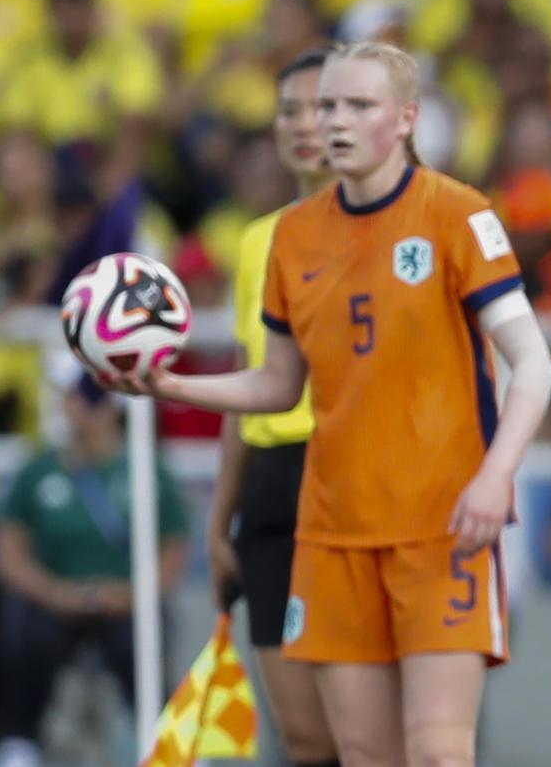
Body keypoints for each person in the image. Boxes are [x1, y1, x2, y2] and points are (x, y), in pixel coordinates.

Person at [108, 41, 551, 767]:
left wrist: (494, 473)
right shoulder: (292, 235)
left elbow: (533, 363)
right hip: (331, 534)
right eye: (326, 105)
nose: (333, 122)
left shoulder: (456, 215)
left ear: (405, 118)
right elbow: (277, 384)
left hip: (439, 526)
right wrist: (171, 384)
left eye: (358, 106)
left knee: (439, 750)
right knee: (357, 752)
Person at [203, 47, 339, 767]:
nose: (304, 125)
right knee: (304, 737)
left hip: (352, 477)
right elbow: (249, 378)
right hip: (272, 490)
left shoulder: (395, 223)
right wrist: (223, 509)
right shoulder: (259, 239)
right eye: (290, 110)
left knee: (369, 729)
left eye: (322, 107)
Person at [0, 366, 189, 767]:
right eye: (70, 395)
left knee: (144, 638)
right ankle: (19, 741)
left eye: (84, 395)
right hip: (52, 603)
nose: (74, 406)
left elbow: (173, 550)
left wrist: (131, 596)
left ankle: (170, 744)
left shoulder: (147, 468)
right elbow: (7, 552)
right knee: (24, 633)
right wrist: (52, 593)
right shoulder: (40, 469)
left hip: (125, 606)